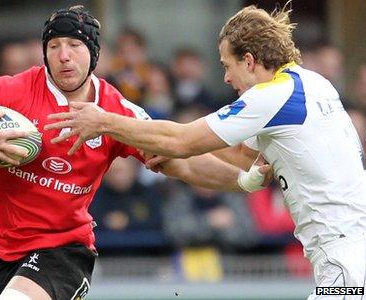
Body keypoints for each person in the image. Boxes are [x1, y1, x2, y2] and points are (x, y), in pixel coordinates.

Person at [0, 5, 267, 300]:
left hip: (64, 251)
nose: (63, 56)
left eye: (74, 46)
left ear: (93, 53)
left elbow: (181, 162)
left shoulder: (116, 110)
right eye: (54, 46)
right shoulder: (13, 90)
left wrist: (245, 180)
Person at [46, 3, 366, 298]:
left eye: (228, 65)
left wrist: (104, 122)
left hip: (341, 249)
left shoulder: (272, 96)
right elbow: (241, 154)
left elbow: (182, 140)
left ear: (250, 61)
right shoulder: (311, 83)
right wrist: (161, 146)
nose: (226, 77)